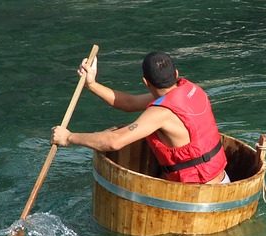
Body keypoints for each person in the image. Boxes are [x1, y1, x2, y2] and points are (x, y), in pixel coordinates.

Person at [51, 51, 229, 184]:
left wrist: (68, 137)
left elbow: (115, 141)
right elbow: (129, 102)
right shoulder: (190, 89)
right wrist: (91, 84)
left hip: (196, 195)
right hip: (222, 182)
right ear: (176, 74)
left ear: (145, 82)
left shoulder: (161, 114)